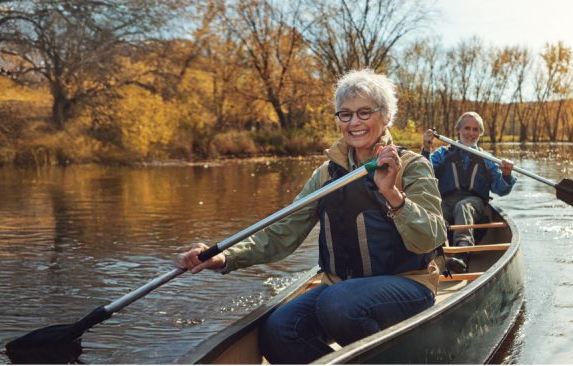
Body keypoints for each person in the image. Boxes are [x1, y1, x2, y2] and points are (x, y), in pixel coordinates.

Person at [177, 69, 447, 364]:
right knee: (279, 332)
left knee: (339, 304)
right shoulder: (325, 175)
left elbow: (432, 236)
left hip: (406, 285)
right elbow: (282, 232)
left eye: (364, 112)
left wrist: (393, 195)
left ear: (385, 117)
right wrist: (225, 256)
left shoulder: (413, 165)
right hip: (339, 290)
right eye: (345, 114)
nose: (354, 122)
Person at [421, 112, 515, 273]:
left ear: (480, 133)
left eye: (476, 129)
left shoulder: (487, 159)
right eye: (467, 128)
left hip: (475, 205)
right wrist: (426, 149)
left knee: (463, 206)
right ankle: (434, 251)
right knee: (435, 209)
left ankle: (462, 253)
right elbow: (423, 175)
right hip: (446, 202)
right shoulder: (442, 154)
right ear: (458, 130)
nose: (471, 133)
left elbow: (501, 190)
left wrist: (506, 174)